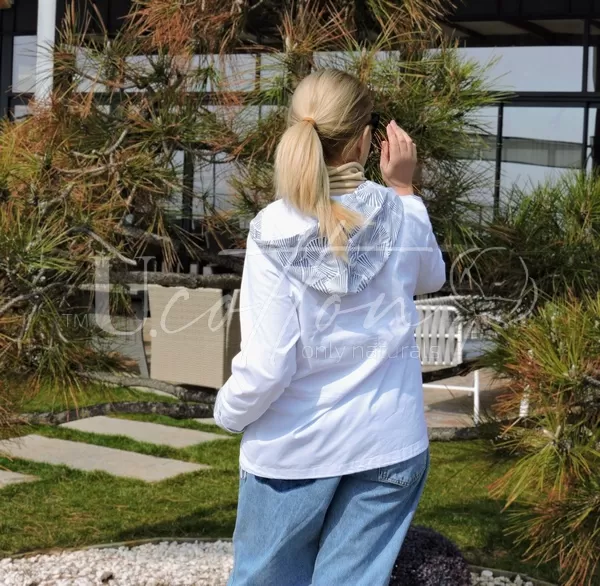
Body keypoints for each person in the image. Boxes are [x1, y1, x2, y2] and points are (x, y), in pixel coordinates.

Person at [214, 68, 446, 586]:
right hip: (388, 443)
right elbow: (431, 277)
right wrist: (404, 187)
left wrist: (227, 412)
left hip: (293, 450)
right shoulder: (402, 213)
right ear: (366, 140)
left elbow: (268, 366)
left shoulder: (272, 227)